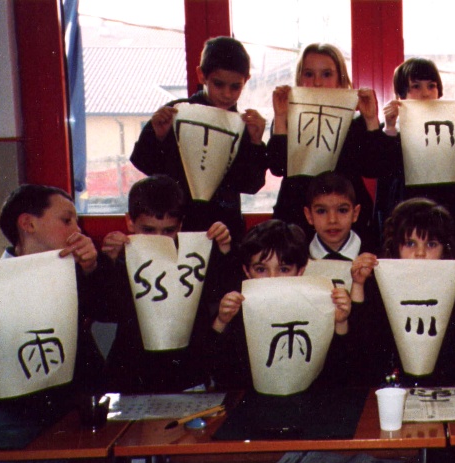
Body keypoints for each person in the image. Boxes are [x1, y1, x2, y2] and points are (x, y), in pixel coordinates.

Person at [0, 184, 109, 403]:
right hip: (9, 400)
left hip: (74, 395)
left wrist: (92, 267)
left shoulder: (79, 271)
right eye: (66, 220)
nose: (77, 230)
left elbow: (107, 307)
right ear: (28, 224)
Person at [98, 175, 237, 393]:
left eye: (168, 230)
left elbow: (221, 290)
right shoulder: (123, 257)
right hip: (133, 371)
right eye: (148, 230)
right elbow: (106, 308)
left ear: (180, 226)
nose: (159, 238)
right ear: (129, 222)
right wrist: (110, 261)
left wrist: (224, 249)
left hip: (187, 370)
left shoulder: (195, 257)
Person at [348, 198, 455, 386]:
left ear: (444, 248)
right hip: (397, 385)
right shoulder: (380, 283)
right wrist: (358, 284)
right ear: (395, 247)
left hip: (451, 384)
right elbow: (360, 338)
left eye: (431, 244)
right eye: (410, 243)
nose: (420, 253)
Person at [130, 36, 267, 238]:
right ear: (201, 75)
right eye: (218, 84)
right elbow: (144, 163)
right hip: (175, 226)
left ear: (246, 80)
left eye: (235, 86)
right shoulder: (176, 113)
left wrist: (255, 142)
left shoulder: (244, 125)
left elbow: (251, 185)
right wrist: (158, 136)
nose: (227, 94)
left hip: (224, 229)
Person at [269, 43, 392, 251]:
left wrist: (371, 119)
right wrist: (280, 117)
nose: (317, 82)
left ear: (340, 80)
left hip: (347, 221)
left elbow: (374, 168)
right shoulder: (287, 117)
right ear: (299, 78)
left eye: (326, 74)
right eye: (309, 74)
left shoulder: (354, 121)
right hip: (297, 215)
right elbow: (277, 167)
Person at [210, 219, 352, 390]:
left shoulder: (317, 308)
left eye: (283, 269)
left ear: (300, 271)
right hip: (252, 399)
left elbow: (339, 373)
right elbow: (217, 371)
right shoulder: (238, 310)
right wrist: (221, 321)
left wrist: (340, 322)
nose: (273, 278)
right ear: (247, 271)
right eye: (261, 269)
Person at [375, 58, 455, 236]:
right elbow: (384, 169)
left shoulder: (448, 125)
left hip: (446, 206)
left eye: (431, 86)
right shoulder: (392, 127)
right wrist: (389, 127)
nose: (425, 93)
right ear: (401, 95)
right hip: (406, 206)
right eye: (416, 86)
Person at [304, 172, 365, 261]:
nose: (332, 220)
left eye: (342, 210)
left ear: (355, 213)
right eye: (321, 211)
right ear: (309, 215)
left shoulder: (376, 256)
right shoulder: (298, 258)